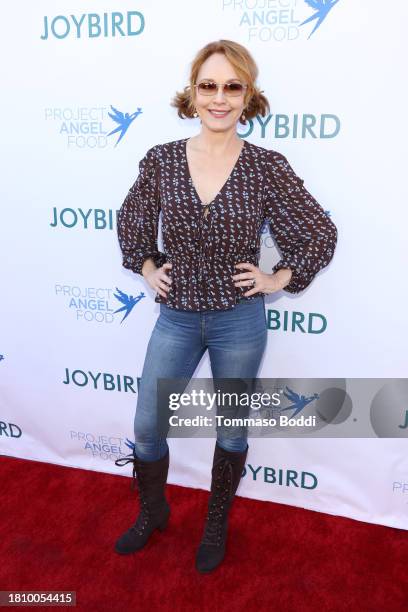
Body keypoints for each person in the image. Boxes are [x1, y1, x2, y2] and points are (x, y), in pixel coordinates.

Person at [114, 39, 338, 573]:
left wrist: (277, 277)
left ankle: (216, 520)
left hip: (240, 321)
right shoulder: (163, 159)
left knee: (231, 427)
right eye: (208, 86)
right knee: (148, 425)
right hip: (177, 317)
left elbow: (318, 233)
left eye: (231, 87)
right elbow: (132, 220)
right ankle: (154, 509)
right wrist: (147, 267)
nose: (219, 98)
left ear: (247, 96)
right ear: (192, 94)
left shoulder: (265, 167)